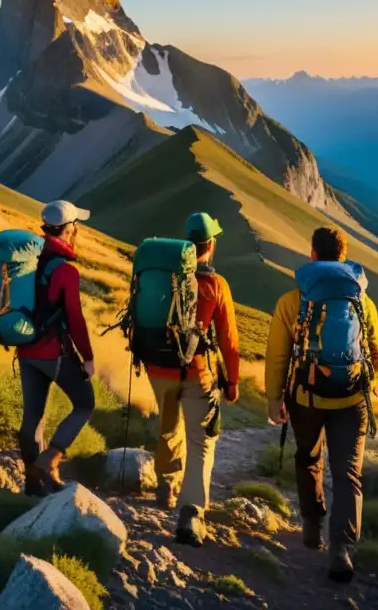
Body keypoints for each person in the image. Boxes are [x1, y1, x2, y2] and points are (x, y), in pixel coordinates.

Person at [265, 226, 378, 582]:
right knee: (348, 473)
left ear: (313, 255)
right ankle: (341, 549)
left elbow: (277, 355)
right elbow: (377, 354)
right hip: (352, 401)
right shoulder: (362, 301)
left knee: (308, 457)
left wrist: (275, 399)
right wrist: (366, 384)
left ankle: (312, 525)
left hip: (306, 398)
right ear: (344, 258)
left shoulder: (292, 300)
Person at [145, 212, 240, 546]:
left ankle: (166, 486)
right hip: (198, 372)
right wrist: (232, 382)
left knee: (168, 426)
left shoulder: (166, 276)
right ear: (211, 245)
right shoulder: (215, 284)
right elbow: (229, 341)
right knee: (201, 441)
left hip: (158, 368)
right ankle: (190, 514)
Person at [15, 200, 97, 497]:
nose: (77, 230)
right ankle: (49, 461)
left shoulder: (27, 259)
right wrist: (87, 358)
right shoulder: (66, 270)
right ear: (69, 228)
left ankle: (32, 485)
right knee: (85, 403)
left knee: (32, 417)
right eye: (76, 226)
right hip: (54, 353)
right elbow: (74, 318)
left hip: (25, 349)